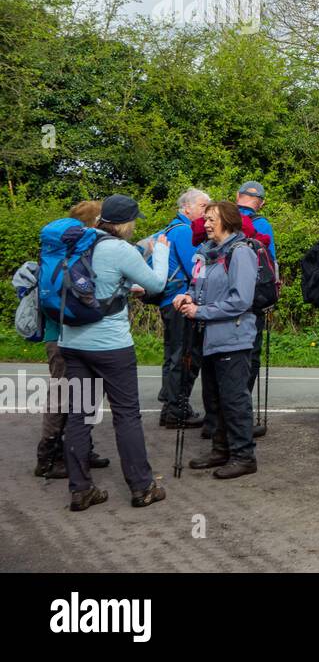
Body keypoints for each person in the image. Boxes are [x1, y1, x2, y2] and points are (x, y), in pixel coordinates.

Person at [58, 194, 169, 511]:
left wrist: (122, 288)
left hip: (73, 342)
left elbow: (93, 285)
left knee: (79, 415)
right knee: (126, 416)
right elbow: (157, 284)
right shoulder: (119, 249)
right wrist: (160, 251)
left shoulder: (81, 243)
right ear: (124, 223)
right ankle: (142, 487)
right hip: (111, 347)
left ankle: (80, 490)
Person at [175, 201, 260, 479]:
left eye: (212, 219)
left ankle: (243, 455)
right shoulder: (207, 252)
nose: (206, 224)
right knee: (214, 397)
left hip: (233, 337)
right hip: (208, 336)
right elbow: (197, 285)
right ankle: (220, 449)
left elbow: (241, 300)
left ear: (229, 221)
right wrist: (188, 297)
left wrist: (201, 311)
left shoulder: (241, 253)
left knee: (235, 399)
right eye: (205, 219)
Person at [33, 200, 110, 480]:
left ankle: (77, 449)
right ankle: (49, 458)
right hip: (66, 336)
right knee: (64, 396)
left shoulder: (56, 251)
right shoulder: (78, 252)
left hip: (60, 332)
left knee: (80, 395)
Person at [155, 188, 209, 429]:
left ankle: (170, 404)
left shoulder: (168, 229)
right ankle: (177, 409)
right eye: (203, 207)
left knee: (173, 353)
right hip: (181, 301)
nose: (206, 213)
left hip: (167, 300)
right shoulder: (185, 231)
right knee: (186, 355)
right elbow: (195, 268)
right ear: (187, 208)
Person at [236, 181, 276, 436]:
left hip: (217, 305)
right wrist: (271, 298)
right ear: (260, 202)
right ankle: (241, 418)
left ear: (237, 197)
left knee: (221, 360)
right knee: (249, 358)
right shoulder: (260, 225)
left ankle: (214, 421)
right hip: (251, 302)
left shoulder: (219, 220)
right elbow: (270, 266)